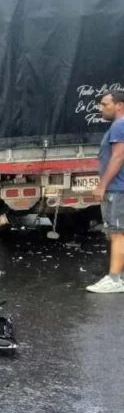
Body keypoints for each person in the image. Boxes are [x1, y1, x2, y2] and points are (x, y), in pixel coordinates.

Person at [88, 91, 124, 294]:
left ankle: (114, 279)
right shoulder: (118, 125)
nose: (100, 108)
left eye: (105, 104)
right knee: (119, 233)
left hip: (118, 188)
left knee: (117, 233)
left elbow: (118, 157)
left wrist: (102, 185)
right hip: (118, 187)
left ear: (119, 105)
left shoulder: (120, 125)